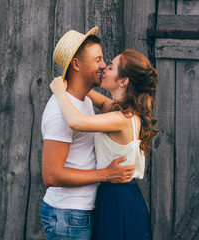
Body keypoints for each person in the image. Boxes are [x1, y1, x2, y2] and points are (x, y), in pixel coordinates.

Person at [50, 49, 158, 240]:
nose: (104, 69)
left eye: (110, 67)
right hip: (121, 194)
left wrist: (59, 92)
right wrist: (77, 79)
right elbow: (100, 100)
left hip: (118, 198)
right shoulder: (123, 111)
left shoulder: (121, 118)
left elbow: (76, 122)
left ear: (123, 81)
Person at [40, 27, 135, 240]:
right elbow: (51, 175)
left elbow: (111, 105)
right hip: (68, 214)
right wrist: (107, 174)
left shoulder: (81, 100)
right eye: (98, 59)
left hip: (80, 212)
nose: (103, 64)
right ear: (76, 64)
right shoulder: (60, 112)